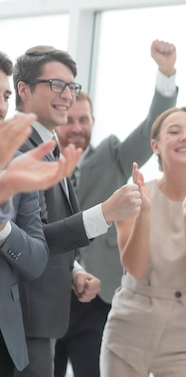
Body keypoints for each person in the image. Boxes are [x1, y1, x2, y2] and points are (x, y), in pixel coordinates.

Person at [13, 45, 142, 377]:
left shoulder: (50, 149)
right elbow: (31, 237)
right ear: (23, 90)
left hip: (43, 319)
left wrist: (72, 274)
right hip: (23, 320)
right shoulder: (19, 151)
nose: (67, 95)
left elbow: (36, 231)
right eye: (56, 84)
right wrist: (106, 212)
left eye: (72, 87)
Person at [53, 39, 178, 377]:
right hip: (49, 295)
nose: (78, 128)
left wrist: (166, 74)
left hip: (97, 299)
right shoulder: (36, 166)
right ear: (57, 119)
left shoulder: (112, 156)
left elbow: (154, 122)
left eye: (85, 120)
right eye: (70, 120)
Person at [100, 107, 186, 376]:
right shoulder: (133, 196)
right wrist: (146, 212)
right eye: (174, 132)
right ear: (155, 146)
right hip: (129, 328)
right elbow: (134, 268)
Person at [0, 52, 79, 375]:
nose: (1, 107)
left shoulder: (17, 163)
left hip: (7, 344)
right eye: (57, 84)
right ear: (26, 90)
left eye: (3, 96)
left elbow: (36, 258)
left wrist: (2, 227)